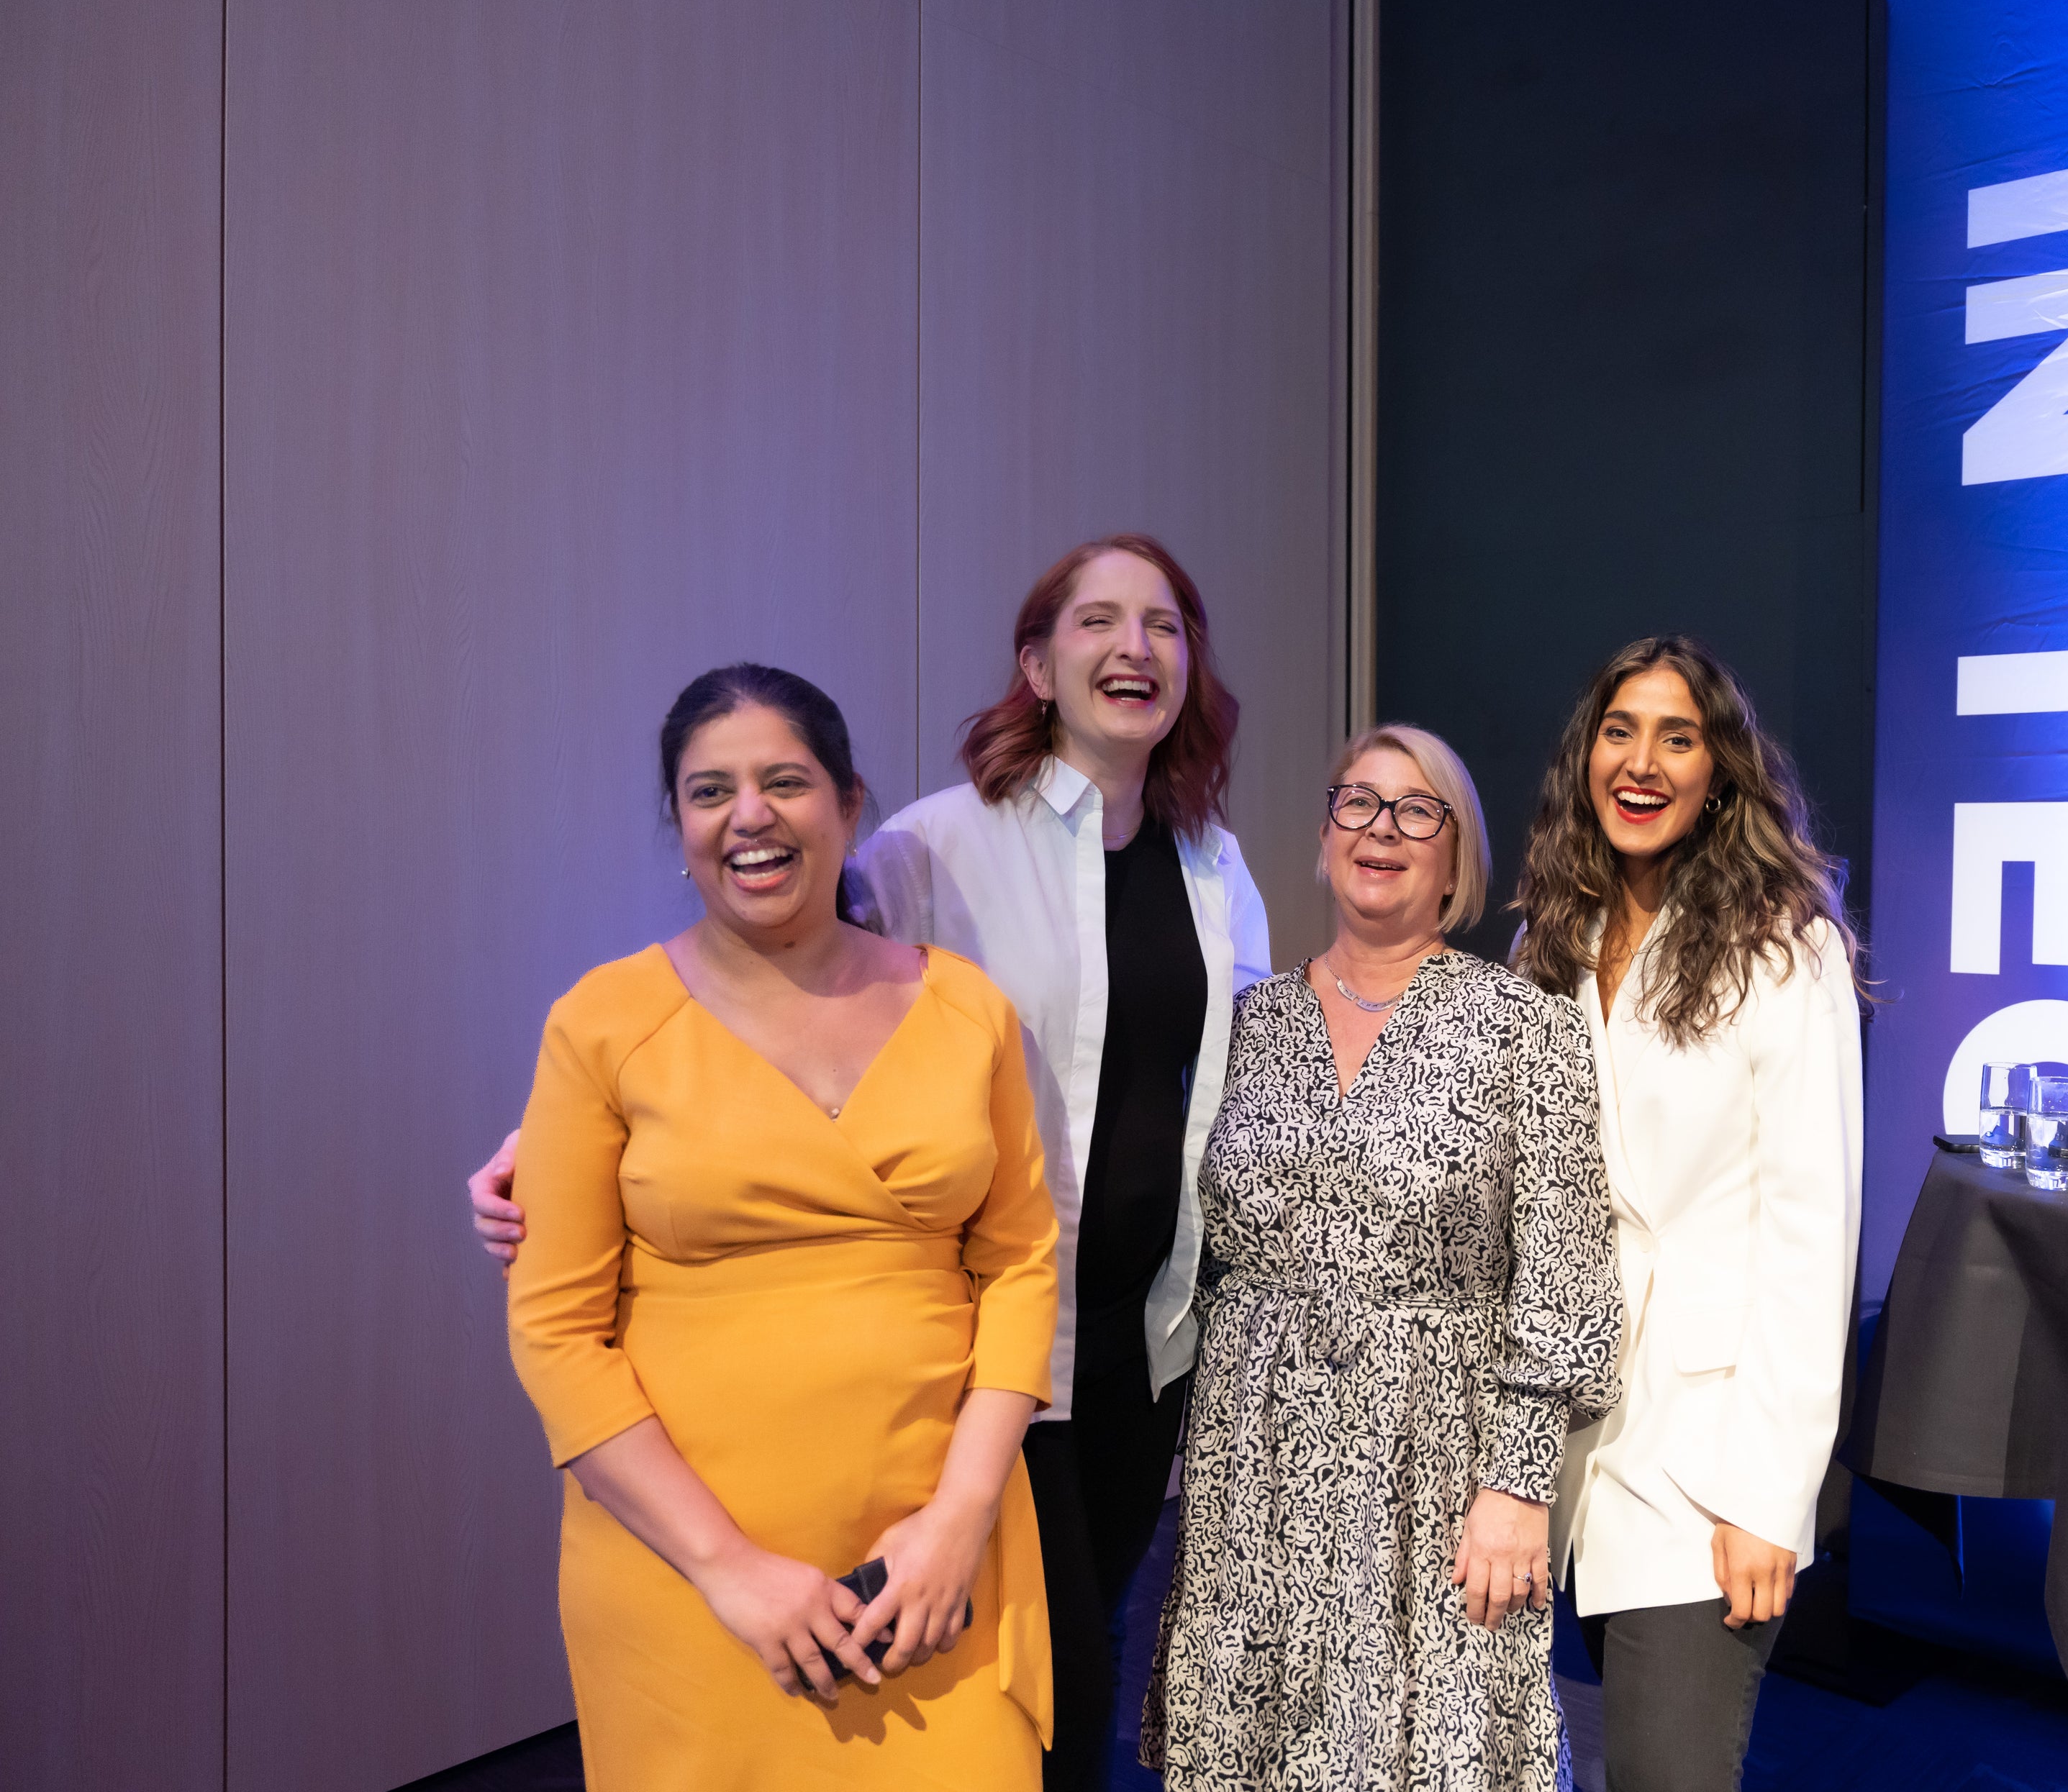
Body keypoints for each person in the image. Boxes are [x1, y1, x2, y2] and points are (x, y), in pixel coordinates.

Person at [475, 537, 1271, 1792]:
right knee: (1061, 1690)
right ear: (1035, 664)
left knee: (1090, 1661)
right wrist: (556, 1155)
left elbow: (1228, 1094)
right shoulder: (930, 849)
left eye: (1164, 624)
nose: (1135, 648)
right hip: (1001, 1386)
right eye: (1099, 622)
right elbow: (754, 1016)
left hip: (1130, 1345)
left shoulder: (1214, 867)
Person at [506, 664, 1057, 1789]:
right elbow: (556, 1332)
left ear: (850, 806)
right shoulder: (603, 1021)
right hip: (687, 1577)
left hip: (934, 1567)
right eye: (710, 792)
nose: (748, 816)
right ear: (681, 827)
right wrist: (732, 1572)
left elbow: (1020, 1268)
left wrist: (960, 1522)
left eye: (783, 782)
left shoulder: (967, 1010)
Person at [1144, 725, 1623, 1792]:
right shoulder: (1246, 1024)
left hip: (1437, 1469)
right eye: (1357, 804)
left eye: (1419, 811)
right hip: (1254, 1465)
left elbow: (1565, 1280)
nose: (1383, 831)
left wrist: (1516, 1486)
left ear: (1456, 859)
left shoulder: (1523, 1029)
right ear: (1323, 838)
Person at [1515, 637, 1863, 1792]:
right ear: (1587, 756)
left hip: (1712, 1461)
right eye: (1622, 731)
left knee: (1670, 1771)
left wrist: (1770, 1493)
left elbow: (1813, 1233)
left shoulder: (1785, 946)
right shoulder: (1548, 942)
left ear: (1720, 772)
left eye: (1679, 736)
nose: (1644, 761)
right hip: (1570, 1449)